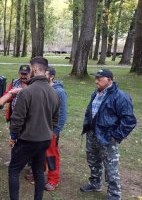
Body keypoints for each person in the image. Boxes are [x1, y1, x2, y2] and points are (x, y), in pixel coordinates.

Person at [8, 56, 59, 200]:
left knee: (14, 170)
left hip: (28, 139)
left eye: (30, 68)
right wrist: (48, 132)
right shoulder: (53, 92)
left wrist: (13, 137)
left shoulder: (26, 92)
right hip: (45, 140)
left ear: (35, 69)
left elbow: (17, 119)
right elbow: (55, 118)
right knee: (38, 171)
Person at [80, 69, 136, 199]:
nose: (96, 81)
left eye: (100, 79)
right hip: (92, 134)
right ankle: (95, 183)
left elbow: (129, 121)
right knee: (93, 161)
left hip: (108, 138)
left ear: (109, 80)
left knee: (111, 166)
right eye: (96, 78)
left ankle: (114, 194)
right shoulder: (96, 93)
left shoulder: (120, 97)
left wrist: (115, 136)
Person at [44, 66, 68, 191]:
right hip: (40, 128)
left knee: (51, 155)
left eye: (45, 74)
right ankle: (38, 173)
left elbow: (63, 114)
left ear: (51, 76)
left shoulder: (59, 92)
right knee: (39, 152)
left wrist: (56, 131)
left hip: (51, 130)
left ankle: (53, 180)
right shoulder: (43, 88)